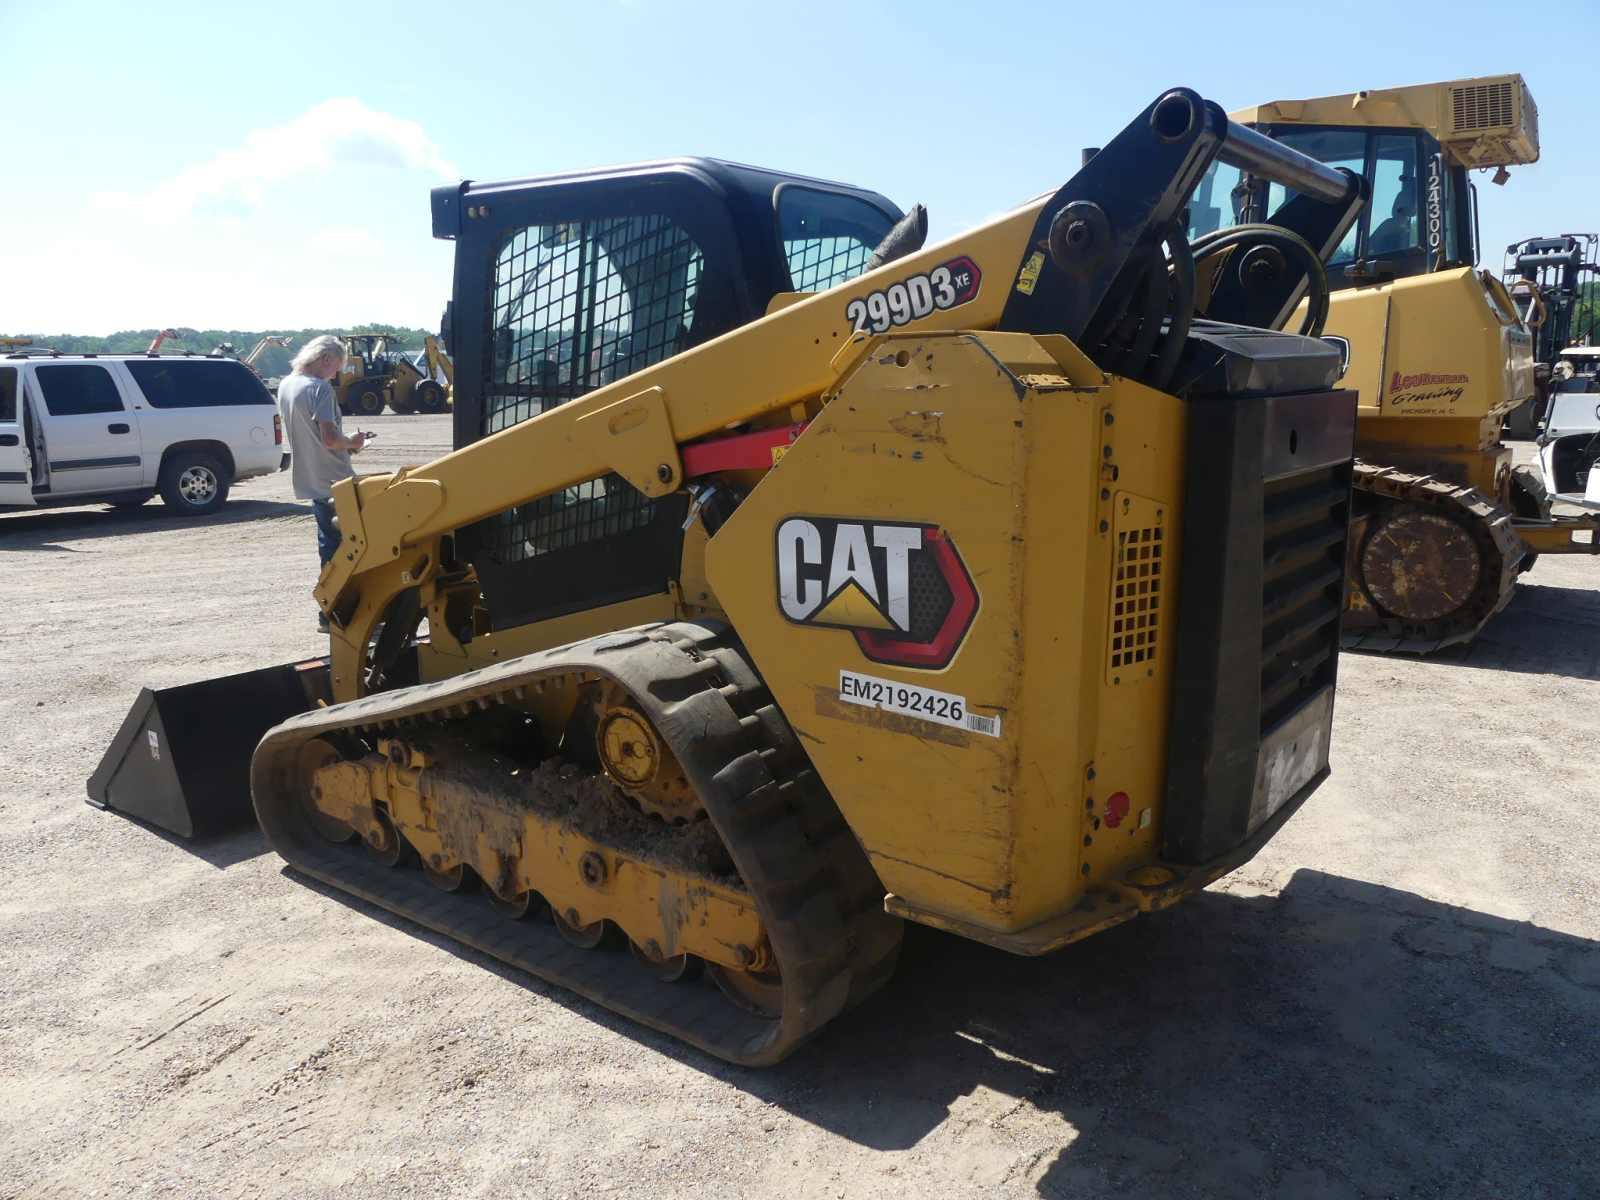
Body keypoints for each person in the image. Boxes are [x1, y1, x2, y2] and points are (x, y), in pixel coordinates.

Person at [277, 336, 367, 622]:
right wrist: (352, 442)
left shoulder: (286, 385)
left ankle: (330, 610)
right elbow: (330, 440)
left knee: (329, 547)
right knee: (355, 548)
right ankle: (345, 612)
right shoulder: (319, 389)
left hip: (312, 479)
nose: (336, 374)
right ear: (326, 359)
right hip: (337, 479)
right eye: (337, 367)